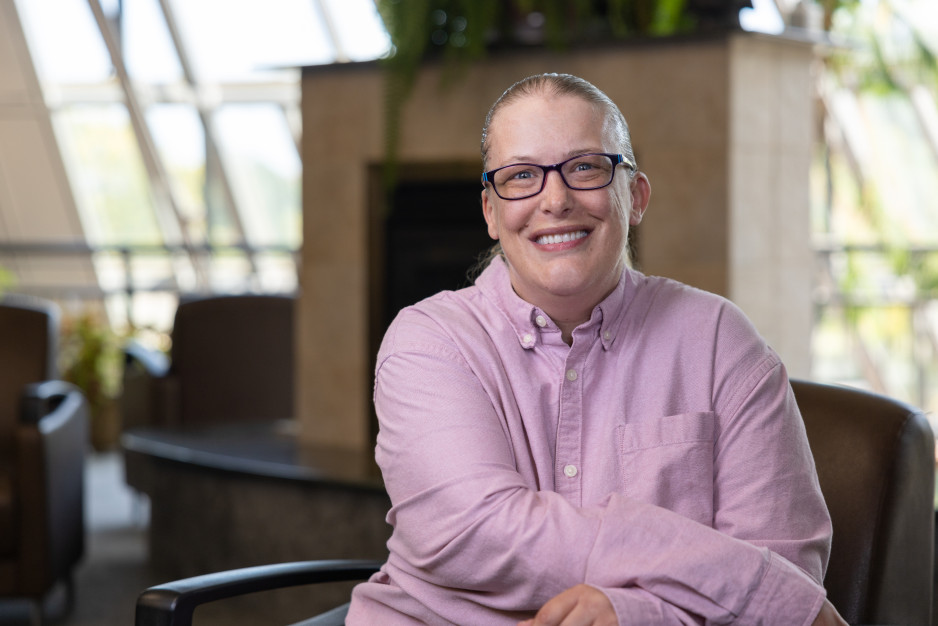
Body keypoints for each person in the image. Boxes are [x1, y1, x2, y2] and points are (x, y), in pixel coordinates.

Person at [347, 73, 846, 625]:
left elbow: (785, 569)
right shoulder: (428, 342)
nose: (555, 199)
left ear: (634, 196)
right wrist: (730, 576)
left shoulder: (720, 341)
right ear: (490, 212)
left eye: (585, 167)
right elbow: (475, 532)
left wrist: (635, 615)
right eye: (521, 176)